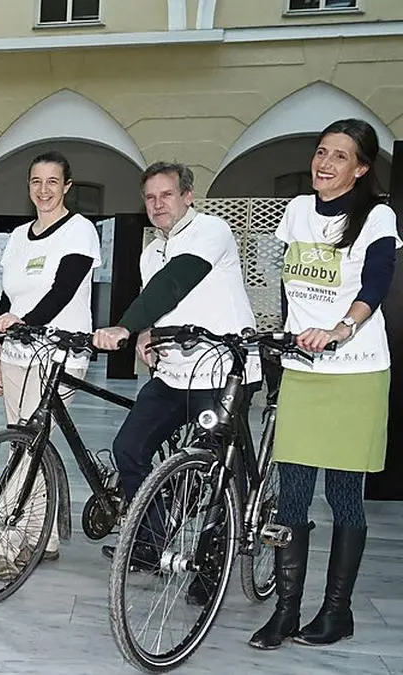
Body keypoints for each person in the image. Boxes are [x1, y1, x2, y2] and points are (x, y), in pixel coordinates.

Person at [249, 119, 399, 650]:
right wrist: (280, 336)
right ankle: (286, 612)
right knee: (291, 496)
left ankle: (337, 611)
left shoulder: (377, 216)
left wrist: (341, 327)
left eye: (340, 156)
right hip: (304, 369)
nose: (325, 163)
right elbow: (287, 285)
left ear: (360, 169)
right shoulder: (294, 211)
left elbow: (377, 281)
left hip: (356, 368)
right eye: (321, 152)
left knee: (343, 498)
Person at [93, 162, 258, 582]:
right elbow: (160, 299)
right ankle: (151, 540)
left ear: (188, 196)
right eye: (150, 197)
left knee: (218, 471)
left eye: (166, 194)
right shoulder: (152, 250)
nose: (157, 204)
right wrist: (147, 331)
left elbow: (175, 283)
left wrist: (125, 326)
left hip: (224, 371)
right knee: (128, 447)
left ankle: (212, 567)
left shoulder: (212, 231)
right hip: (175, 373)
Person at [0, 151, 100, 575]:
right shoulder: (17, 236)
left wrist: (26, 323)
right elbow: (6, 298)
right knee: (26, 443)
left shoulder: (81, 231)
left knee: (28, 444)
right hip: (16, 354)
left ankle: (3, 541)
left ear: (67, 186)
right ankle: (43, 536)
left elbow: (64, 288)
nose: (44, 189)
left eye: (53, 181)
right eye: (37, 181)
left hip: (58, 354)